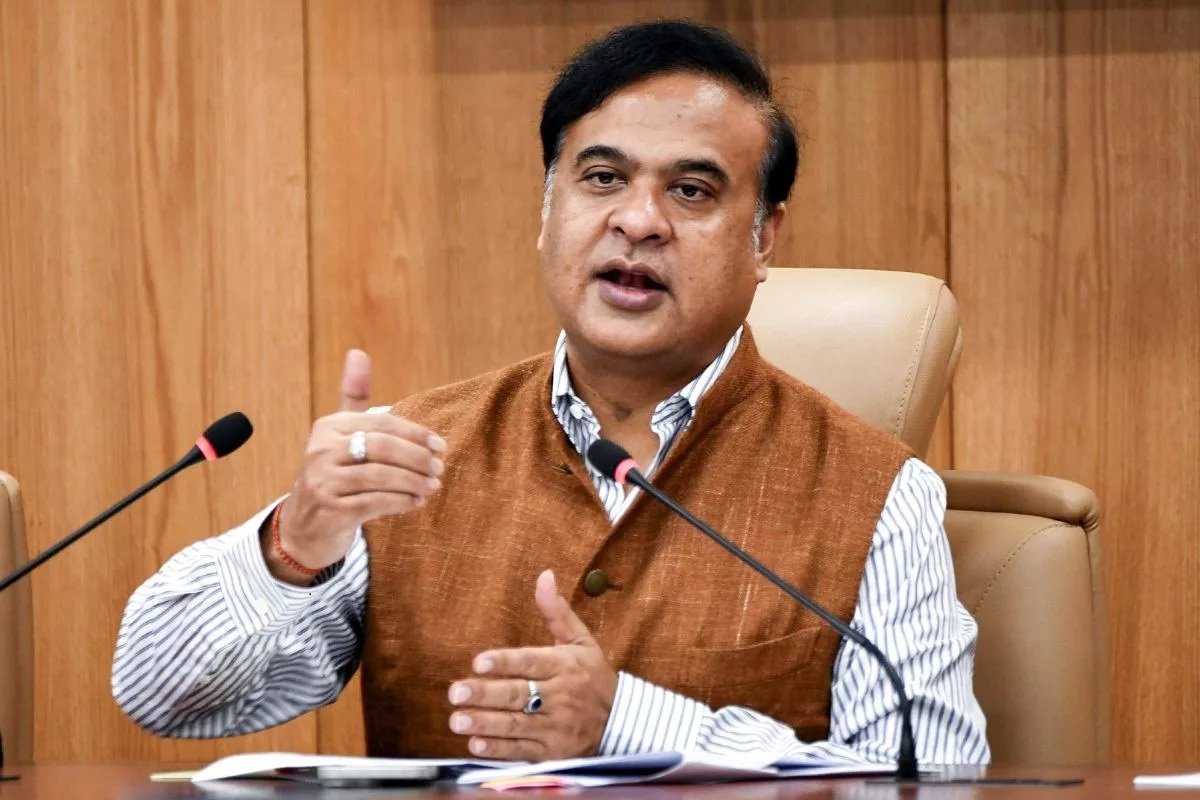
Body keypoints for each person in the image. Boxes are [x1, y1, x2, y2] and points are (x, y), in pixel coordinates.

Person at [112, 20, 989, 765]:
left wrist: (631, 723)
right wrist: (296, 545)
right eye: (602, 179)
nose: (638, 221)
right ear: (547, 211)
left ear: (765, 239)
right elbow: (156, 692)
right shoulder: (415, 452)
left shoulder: (878, 494)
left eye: (690, 191)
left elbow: (933, 777)